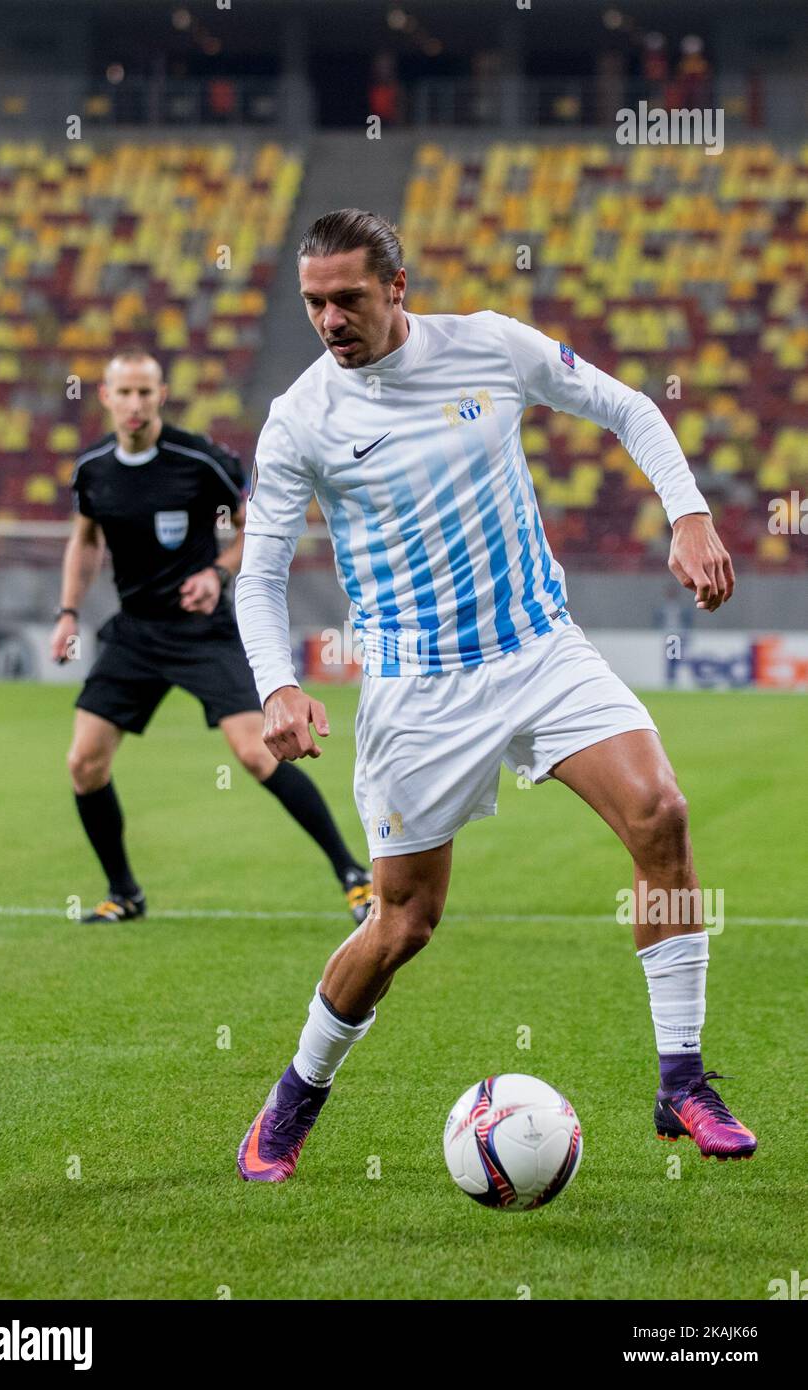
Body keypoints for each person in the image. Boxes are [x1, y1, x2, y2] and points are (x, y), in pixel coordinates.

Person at [233, 209, 755, 1186]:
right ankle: (295, 1096)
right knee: (402, 923)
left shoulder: (489, 347)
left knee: (662, 814)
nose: (329, 318)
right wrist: (280, 685)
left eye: (347, 297)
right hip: (416, 689)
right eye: (313, 302)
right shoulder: (303, 416)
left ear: (397, 287)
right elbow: (259, 573)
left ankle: (681, 1077)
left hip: (539, 648)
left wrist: (687, 514)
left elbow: (630, 407)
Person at [52, 348, 372, 925]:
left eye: (145, 392)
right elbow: (86, 540)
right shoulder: (92, 470)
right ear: (105, 396)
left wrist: (218, 571)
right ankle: (124, 892)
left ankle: (353, 875)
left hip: (204, 631)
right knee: (84, 762)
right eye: (123, 392)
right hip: (135, 634)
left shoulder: (200, 460)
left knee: (256, 752)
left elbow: (259, 528)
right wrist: (68, 611)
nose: (134, 403)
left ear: (161, 394)